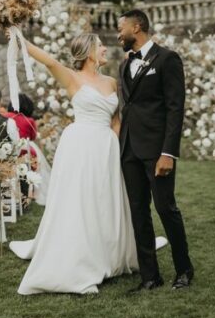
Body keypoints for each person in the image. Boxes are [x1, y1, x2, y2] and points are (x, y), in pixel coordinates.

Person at [9, 32, 139, 295]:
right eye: (100, 45)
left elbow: (116, 121)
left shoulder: (113, 82)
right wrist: (18, 37)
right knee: (81, 200)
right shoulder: (72, 77)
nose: (105, 48)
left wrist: (123, 150)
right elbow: (49, 61)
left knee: (105, 200)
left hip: (107, 147)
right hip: (80, 146)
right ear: (88, 51)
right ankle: (80, 260)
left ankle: (107, 253)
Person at [117, 9, 193, 291]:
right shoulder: (125, 65)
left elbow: (175, 108)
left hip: (156, 150)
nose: (117, 34)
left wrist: (168, 153)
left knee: (166, 208)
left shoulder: (167, 59)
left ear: (137, 27)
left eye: (120, 28)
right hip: (129, 150)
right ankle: (150, 276)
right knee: (138, 212)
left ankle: (184, 269)